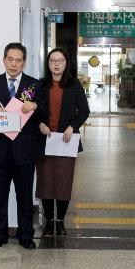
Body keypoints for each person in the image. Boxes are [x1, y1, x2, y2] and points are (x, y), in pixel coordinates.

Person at [0, 42, 45, 250]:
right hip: (0, 151)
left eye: (18, 60)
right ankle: (0, 233)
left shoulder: (33, 85)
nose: (14, 64)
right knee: (0, 195)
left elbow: (45, 111)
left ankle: (25, 234)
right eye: (10, 59)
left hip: (25, 150)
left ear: (24, 62)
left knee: (25, 196)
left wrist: (34, 106)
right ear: (4, 60)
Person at [35, 47, 89, 238]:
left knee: (64, 182)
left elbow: (84, 111)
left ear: (66, 64)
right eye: (52, 60)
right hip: (45, 140)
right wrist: (40, 123)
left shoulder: (74, 85)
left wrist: (71, 127)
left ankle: (61, 221)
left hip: (67, 141)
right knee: (46, 182)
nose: (56, 64)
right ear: (48, 64)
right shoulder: (39, 85)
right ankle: (49, 221)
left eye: (60, 60)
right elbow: (30, 111)